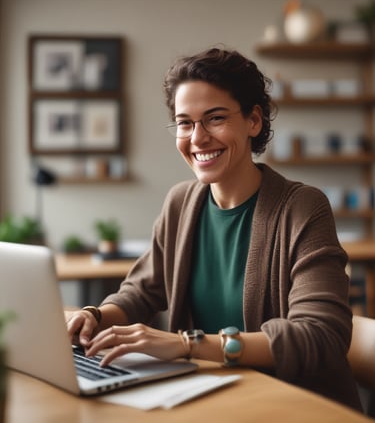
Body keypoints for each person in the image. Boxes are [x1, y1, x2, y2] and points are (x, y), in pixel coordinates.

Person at [66, 47, 362, 411]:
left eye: (215, 118)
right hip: (209, 401)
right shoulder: (180, 203)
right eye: (185, 122)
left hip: (293, 406)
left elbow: (320, 335)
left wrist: (186, 344)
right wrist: (94, 317)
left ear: (254, 121)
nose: (197, 138)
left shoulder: (302, 207)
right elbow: (139, 293)